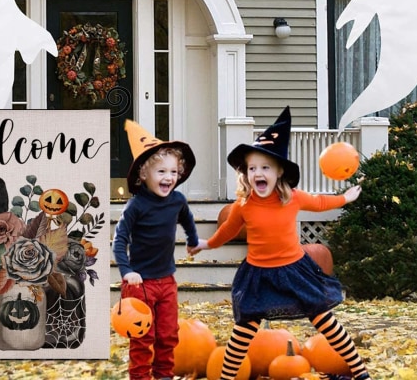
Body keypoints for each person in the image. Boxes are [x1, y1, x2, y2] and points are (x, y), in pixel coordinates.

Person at [189, 106, 371, 380]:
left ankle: (361, 373)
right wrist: (206, 244)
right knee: (243, 331)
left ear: (278, 173)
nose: (257, 173)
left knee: (326, 321)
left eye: (265, 167)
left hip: (294, 270)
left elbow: (320, 202)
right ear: (245, 174)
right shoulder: (243, 205)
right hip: (258, 274)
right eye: (252, 168)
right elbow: (227, 231)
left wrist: (345, 198)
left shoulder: (293, 197)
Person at [112, 119, 199, 380]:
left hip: (167, 281)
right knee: (142, 337)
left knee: (168, 334)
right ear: (143, 175)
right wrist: (126, 271)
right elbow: (119, 240)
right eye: (161, 172)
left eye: (173, 172)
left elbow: (187, 218)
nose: (169, 178)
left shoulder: (177, 200)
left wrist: (193, 239)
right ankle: (140, 377)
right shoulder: (136, 206)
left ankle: (164, 375)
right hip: (139, 283)